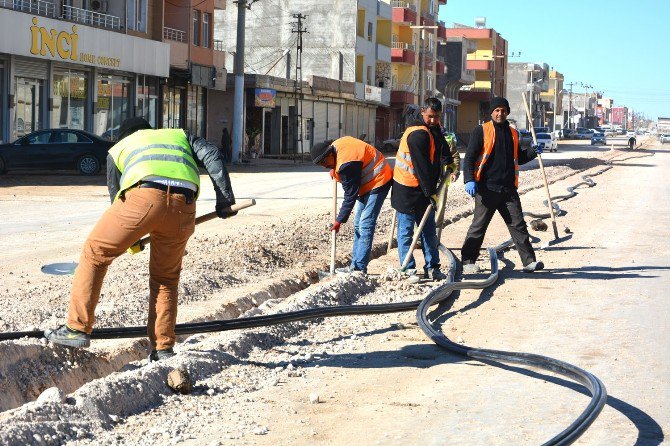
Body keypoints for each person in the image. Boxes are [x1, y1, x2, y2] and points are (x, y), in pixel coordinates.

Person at [45, 117, 236, 361]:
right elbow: (212, 154)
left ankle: (76, 328)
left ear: (126, 135)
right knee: (165, 279)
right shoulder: (179, 136)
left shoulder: (119, 148)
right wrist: (224, 199)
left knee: (95, 253)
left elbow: (117, 199)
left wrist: (131, 238)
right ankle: (163, 348)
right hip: (183, 207)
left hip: (142, 199)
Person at [460, 97, 543, 274]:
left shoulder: (513, 133)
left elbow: (518, 158)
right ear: (491, 112)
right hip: (486, 189)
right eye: (497, 110)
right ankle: (467, 261)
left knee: (518, 225)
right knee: (478, 227)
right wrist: (469, 179)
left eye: (503, 110)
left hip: (508, 190)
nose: (500, 113)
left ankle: (529, 262)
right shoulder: (481, 131)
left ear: (507, 112)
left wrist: (532, 152)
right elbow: (469, 158)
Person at [311, 136, 392, 274]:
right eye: (321, 165)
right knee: (357, 224)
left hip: (379, 180)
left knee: (365, 224)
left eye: (325, 162)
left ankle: (359, 268)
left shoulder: (347, 164)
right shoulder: (335, 147)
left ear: (330, 154)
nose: (325, 166)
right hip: (366, 183)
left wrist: (339, 220)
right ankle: (354, 265)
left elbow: (350, 196)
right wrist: (332, 167)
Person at [391, 97, 452, 281]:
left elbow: (441, 147)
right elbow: (422, 167)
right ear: (423, 112)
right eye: (431, 116)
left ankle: (432, 267)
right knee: (406, 231)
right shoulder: (417, 134)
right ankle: (408, 268)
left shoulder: (432, 130)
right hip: (406, 189)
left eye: (437, 117)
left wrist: (449, 162)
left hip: (423, 189)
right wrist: (431, 193)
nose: (433, 120)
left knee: (428, 231)